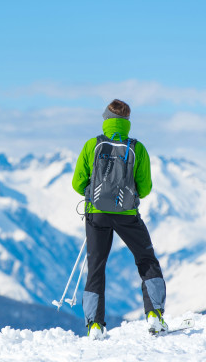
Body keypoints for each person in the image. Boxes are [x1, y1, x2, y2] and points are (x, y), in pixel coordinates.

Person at [72, 99, 167, 340]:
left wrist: (93, 194)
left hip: (97, 213)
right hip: (127, 215)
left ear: (105, 119)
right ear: (127, 121)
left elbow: (77, 183)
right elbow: (144, 189)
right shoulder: (137, 147)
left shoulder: (92, 145)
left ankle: (94, 325)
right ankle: (154, 314)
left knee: (96, 265)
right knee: (146, 259)